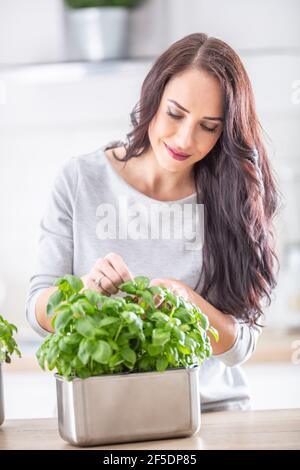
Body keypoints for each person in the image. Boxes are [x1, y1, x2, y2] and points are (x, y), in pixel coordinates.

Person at [26, 32, 279, 411]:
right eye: (175, 114)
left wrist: (186, 302)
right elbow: (36, 311)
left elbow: (240, 346)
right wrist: (84, 293)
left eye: (208, 126)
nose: (183, 138)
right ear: (153, 99)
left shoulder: (233, 197)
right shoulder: (80, 180)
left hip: (208, 412)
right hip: (105, 412)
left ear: (224, 131)